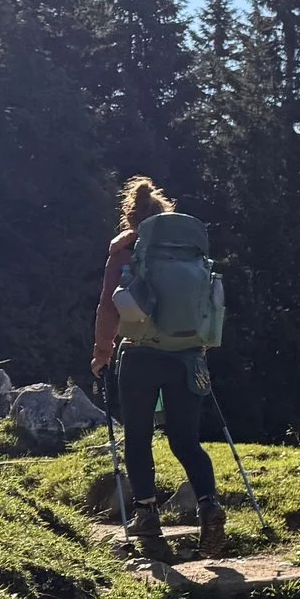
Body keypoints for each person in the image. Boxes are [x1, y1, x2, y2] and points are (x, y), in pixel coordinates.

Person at [91, 176, 222, 561]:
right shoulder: (190, 253)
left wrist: (102, 352)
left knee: (138, 436)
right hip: (187, 354)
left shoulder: (125, 249)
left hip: (141, 355)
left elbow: (108, 306)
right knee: (185, 440)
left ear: (131, 216)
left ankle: (147, 515)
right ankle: (209, 504)